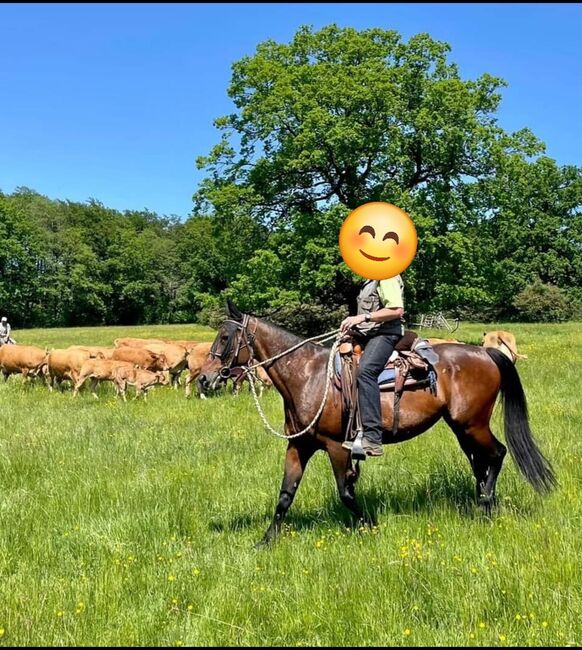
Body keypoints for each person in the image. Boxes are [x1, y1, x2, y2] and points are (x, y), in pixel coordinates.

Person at [339, 275, 405, 457]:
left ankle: (373, 438)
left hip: (385, 334)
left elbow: (396, 310)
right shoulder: (368, 279)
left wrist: (362, 317)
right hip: (369, 334)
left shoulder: (387, 275)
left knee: (366, 371)